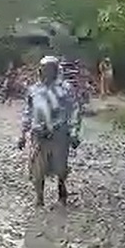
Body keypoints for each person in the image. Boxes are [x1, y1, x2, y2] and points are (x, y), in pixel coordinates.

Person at [17, 55, 81, 206]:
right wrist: (22, 134)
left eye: (50, 69)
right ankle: (39, 198)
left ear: (56, 70)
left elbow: (74, 111)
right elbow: (28, 112)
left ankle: (62, 192)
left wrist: (74, 133)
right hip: (39, 135)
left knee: (60, 167)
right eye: (45, 69)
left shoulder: (65, 89)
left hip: (60, 134)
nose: (47, 72)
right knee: (37, 168)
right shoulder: (34, 90)